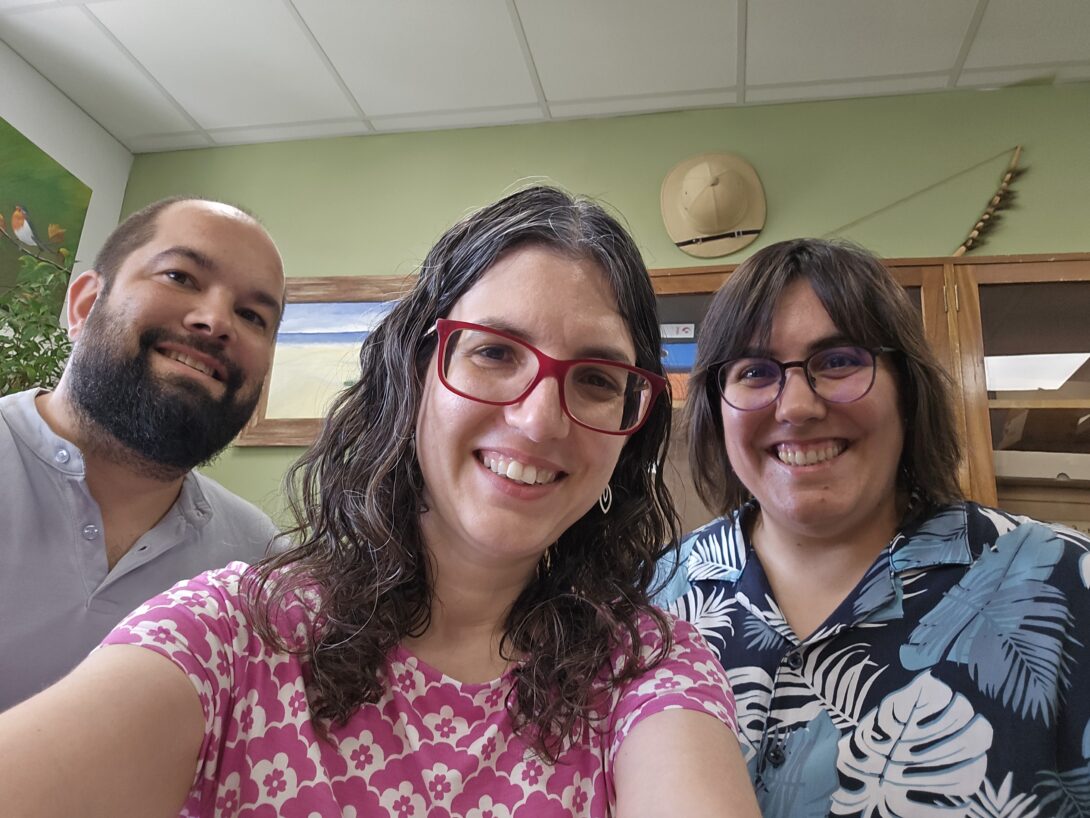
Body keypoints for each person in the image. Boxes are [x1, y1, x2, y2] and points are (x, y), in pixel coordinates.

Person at [0, 186, 760, 818]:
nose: (538, 420)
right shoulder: (237, 630)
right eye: (494, 352)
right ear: (413, 375)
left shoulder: (650, 670)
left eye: (595, 377)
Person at [658, 237, 1090, 816]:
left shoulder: (1067, 587)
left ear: (907, 391)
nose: (796, 407)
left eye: (838, 361)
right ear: (717, 407)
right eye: (755, 371)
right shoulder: (649, 605)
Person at [0, 196, 286, 711]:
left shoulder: (257, 564)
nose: (217, 321)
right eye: (180, 277)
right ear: (85, 305)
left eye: (252, 315)